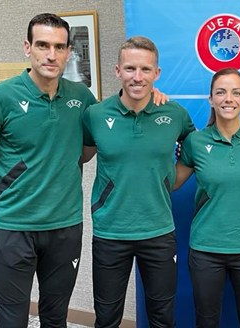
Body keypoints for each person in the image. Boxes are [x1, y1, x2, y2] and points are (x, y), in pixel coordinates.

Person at [0, 13, 97, 327]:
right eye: (43, 45)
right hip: (13, 229)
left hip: (65, 227)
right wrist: (9, 192)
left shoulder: (82, 98)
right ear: (27, 47)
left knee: (55, 318)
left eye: (60, 47)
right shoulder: (0, 97)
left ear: (68, 52)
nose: (51, 55)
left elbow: (87, 151)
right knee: (12, 320)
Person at [82, 36, 195, 328]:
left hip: (158, 231)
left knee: (161, 317)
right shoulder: (95, 115)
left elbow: (195, 150)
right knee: (107, 317)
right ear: (117, 70)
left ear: (156, 74)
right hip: (110, 231)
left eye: (145, 70)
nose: (137, 77)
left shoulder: (174, 114)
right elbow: (80, 155)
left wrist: (168, 181)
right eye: (130, 68)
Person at [174, 68, 240, 328]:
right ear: (211, 99)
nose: (228, 98)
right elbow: (170, 183)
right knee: (206, 321)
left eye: (235, 92)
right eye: (221, 92)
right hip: (206, 248)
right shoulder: (195, 141)